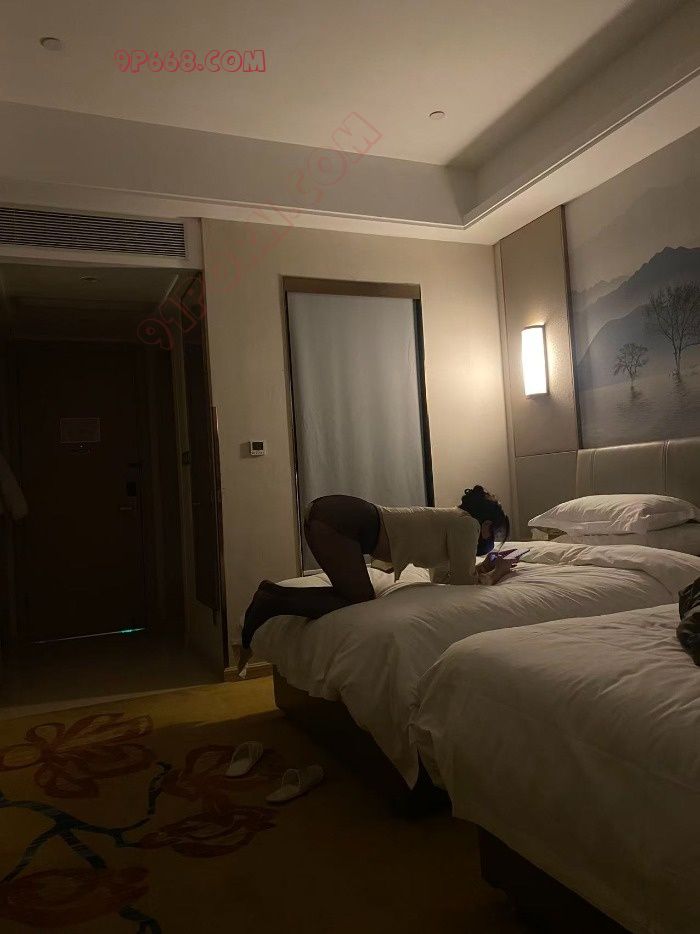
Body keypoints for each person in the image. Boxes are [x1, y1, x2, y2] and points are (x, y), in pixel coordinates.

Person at [239, 485, 512, 661]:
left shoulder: (453, 520)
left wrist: (482, 568)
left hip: (336, 514)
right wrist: (498, 572)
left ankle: (272, 595)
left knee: (350, 593)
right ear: (486, 523)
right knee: (358, 596)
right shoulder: (467, 524)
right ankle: (270, 601)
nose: (489, 538)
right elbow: (464, 584)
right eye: (493, 532)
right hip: (348, 520)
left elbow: (444, 579)